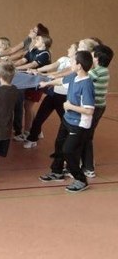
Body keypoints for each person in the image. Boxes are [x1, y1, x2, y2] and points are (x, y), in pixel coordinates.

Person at [39, 50, 95, 193]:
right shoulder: (74, 76)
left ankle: (81, 180)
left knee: (68, 151)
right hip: (67, 119)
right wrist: (47, 84)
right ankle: (57, 171)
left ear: (79, 66)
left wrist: (70, 106)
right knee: (59, 144)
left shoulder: (86, 85)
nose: (70, 63)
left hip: (79, 124)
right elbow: (61, 81)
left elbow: (89, 110)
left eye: (72, 61)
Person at [22, 42, 78, 149]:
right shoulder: (63, 59)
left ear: (76, 51)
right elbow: (51, 66)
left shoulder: (76, 64)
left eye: (71, 47)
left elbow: (63, 74)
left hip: (64, 97)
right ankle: (32, 139)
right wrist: (37, 70)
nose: (68, 48)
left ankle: (71, 148)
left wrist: (46, 75)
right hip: (53, 94)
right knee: (39, 117)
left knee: (66, 123)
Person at [80, 44, 113, 177]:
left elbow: (81, 78)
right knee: (87, 136)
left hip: (95, 107)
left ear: (97, 58)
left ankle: (88, 168)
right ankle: (86, 164)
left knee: (86, 137)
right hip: (99, 107)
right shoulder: (103, 70)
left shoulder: (97, 72)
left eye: (92, 55)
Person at [14, 34, 52, 138]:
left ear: (44, 43)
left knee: (28, 106)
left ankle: (27, 132)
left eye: (38, 39)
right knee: (28, 106)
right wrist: (12, 65)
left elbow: (33, 65)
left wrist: (17, 69)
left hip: (37, 83)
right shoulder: (33, 50)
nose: (35, 40)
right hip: (28, 82)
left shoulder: (45, 54)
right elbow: (24, 60)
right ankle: (36, 130)